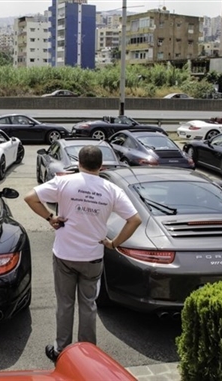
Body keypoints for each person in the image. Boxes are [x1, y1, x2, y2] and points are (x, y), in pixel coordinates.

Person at [23, 145, 142, 363]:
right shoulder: (111, 190)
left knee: (65, 303)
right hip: (93, 256)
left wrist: (50, 218)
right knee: (88, 303)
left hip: (64, 254)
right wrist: (114, 243)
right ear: (101, 165)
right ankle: (87, 353)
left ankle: (61, 349)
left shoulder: (64, 182)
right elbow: (134, 220)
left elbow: (30, 197)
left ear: (78, 163)